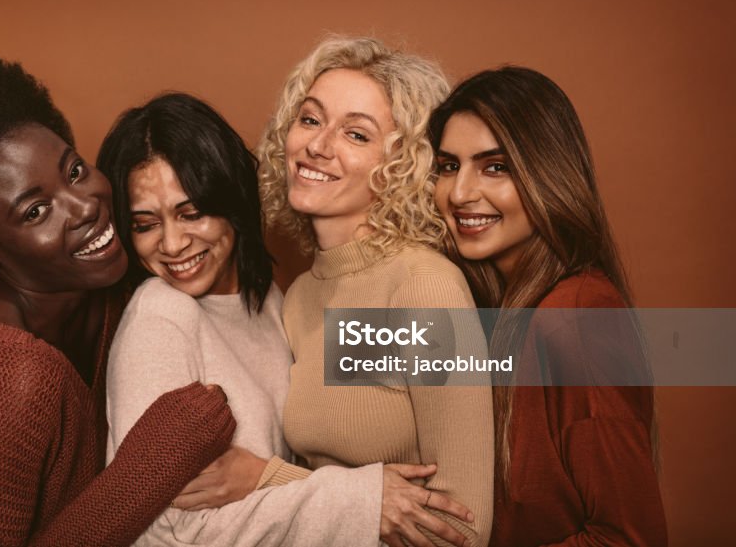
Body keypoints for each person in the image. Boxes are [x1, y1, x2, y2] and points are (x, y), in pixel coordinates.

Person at [0, 42, 236, 547]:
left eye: (74, 171)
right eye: (35, 212)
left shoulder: (110, 283)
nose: (84, 207)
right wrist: (147, 468)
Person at [98, 92, 473, 546]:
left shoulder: (279, 303)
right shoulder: (160, 314)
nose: (173, 244)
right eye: (145, 224)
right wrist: (362, 500)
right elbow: (169, 531)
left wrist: (271, 477)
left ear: (230, 199)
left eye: (191, 213)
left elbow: (461, 518)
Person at [257, 36, 494, 547]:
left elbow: (462, 529)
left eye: (356, 135)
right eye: (311, 119)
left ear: (402, 164)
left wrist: (265, 478)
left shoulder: (423, 288)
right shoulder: (298, 297)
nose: (318, 146)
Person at [428, 66, 668, 546]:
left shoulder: (576, 318)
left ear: (548, 174)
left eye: (495, 167)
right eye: (449, 166)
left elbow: (627, 538)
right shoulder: (501, 311)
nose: (459, 194)